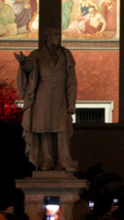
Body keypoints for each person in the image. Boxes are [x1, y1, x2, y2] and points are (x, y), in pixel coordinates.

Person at [14, 27, 78, 172]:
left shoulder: (66, 55)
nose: (58, 38)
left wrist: (71, 103)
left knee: (62, 129)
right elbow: (30, 67)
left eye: (58, 35)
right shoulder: (37, 55)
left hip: (60, 99)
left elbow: (71, 82)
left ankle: (65, 159)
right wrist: (23, 63)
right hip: (41, 98)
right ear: (46, 38)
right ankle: (47, 160)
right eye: (55, 35)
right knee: (44, 130)